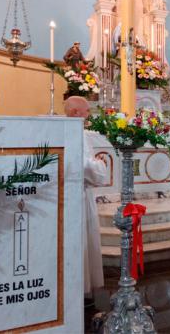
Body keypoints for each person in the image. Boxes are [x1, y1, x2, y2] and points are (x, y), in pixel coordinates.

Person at [64, 96, 108, 299]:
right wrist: (99, 164)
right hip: (78, 196)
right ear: (75, 113)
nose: (89, 114)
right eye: (86, 110)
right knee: (80, 241)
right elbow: (85, 167)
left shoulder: (64, 131)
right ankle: (79, 290)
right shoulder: (77, 134)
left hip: (73, 194)